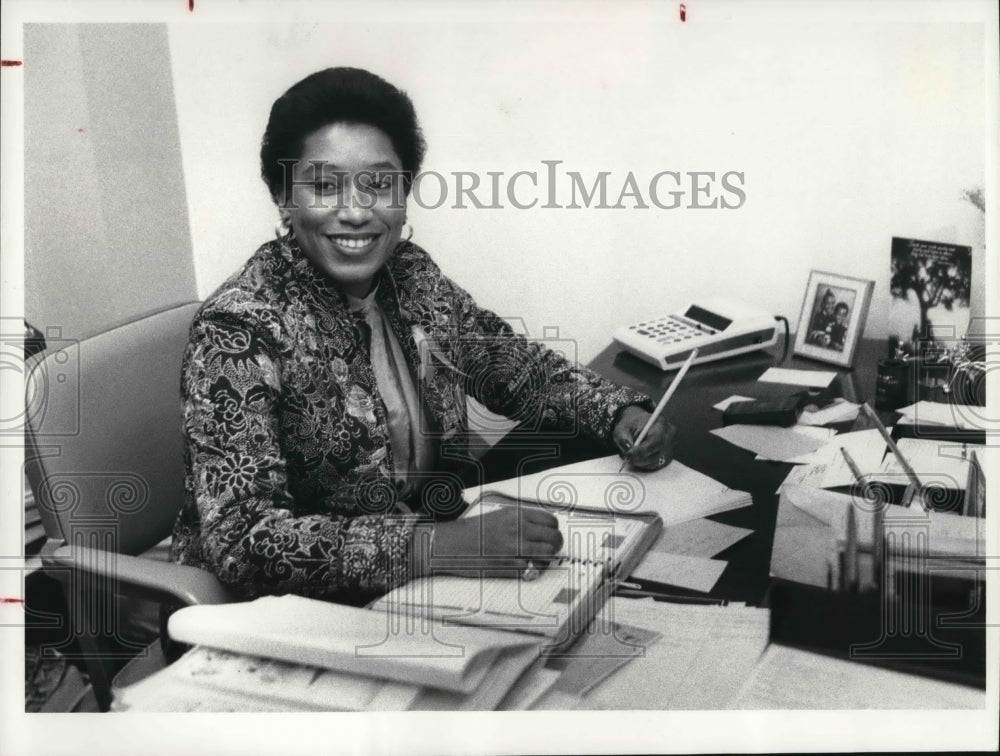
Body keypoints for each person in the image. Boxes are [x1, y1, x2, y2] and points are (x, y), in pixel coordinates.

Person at [169, 67, 675, 603]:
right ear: (282, 196)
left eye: (380, 184)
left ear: (404, 191)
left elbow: (510, 367)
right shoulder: (238, 328)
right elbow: (246, 541)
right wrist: (446, 545)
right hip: (292, 611)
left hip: (428, 561)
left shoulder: (411, 275)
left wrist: (621, 414)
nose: (357, 212)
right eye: (323, 186)